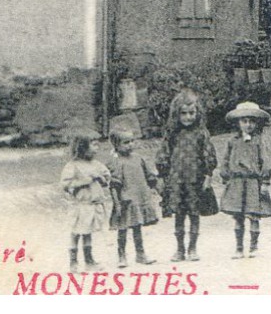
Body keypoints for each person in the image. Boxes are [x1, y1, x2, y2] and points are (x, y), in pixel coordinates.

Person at [157, 89, 217, 262]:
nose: (188, 117)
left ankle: (192, 248)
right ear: (176, 114)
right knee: (179, 214)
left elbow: (208, 156)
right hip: (177, 181)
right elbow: (164, 154)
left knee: (194, 213)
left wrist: (208, 175)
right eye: (183, 113)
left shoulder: (201, 133)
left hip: (195, 180)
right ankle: (180, 249)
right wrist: (162, 176)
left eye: (192, 113)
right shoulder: (172, 133)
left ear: (198, 113)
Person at [218, 101, 271, 259]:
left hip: (253, 183)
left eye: (252, 121)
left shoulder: (259, 141)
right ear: (238, 123)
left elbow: (266, 161)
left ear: (257, 123)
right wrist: (225, 176)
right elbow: (226, 161)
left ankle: (254, 247)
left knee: (253, 215)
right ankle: (239, 247)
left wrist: (265, 182)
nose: (248, 125)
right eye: (244, 121)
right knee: (238, 216)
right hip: (236, 183)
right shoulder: (233, 142)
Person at [104, 127, 159, 268]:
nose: (130, 144)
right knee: (123, 229)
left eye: (132, 141)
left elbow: (149, 176)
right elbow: (114, 185)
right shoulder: (116, 162)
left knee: (137, 227)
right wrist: (117, 203)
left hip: (140, 198)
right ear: (116, 145)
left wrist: (156, 188)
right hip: (126, 201)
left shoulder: (138, 158)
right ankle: (121, 256)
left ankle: (140, 254)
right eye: (126, 142)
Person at [60, 135, 110, 270]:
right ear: (82, 148)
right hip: (80, 206)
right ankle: (73, 262)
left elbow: (107, 177)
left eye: (97, 145)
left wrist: (102, 179)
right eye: (93, 145)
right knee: (76, 233)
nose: (97, 148)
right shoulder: (73, 166)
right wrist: (85, 181)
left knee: (88, 233)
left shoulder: (97, 164)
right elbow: (66, 184)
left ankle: (89, 261)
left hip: (92, 205)